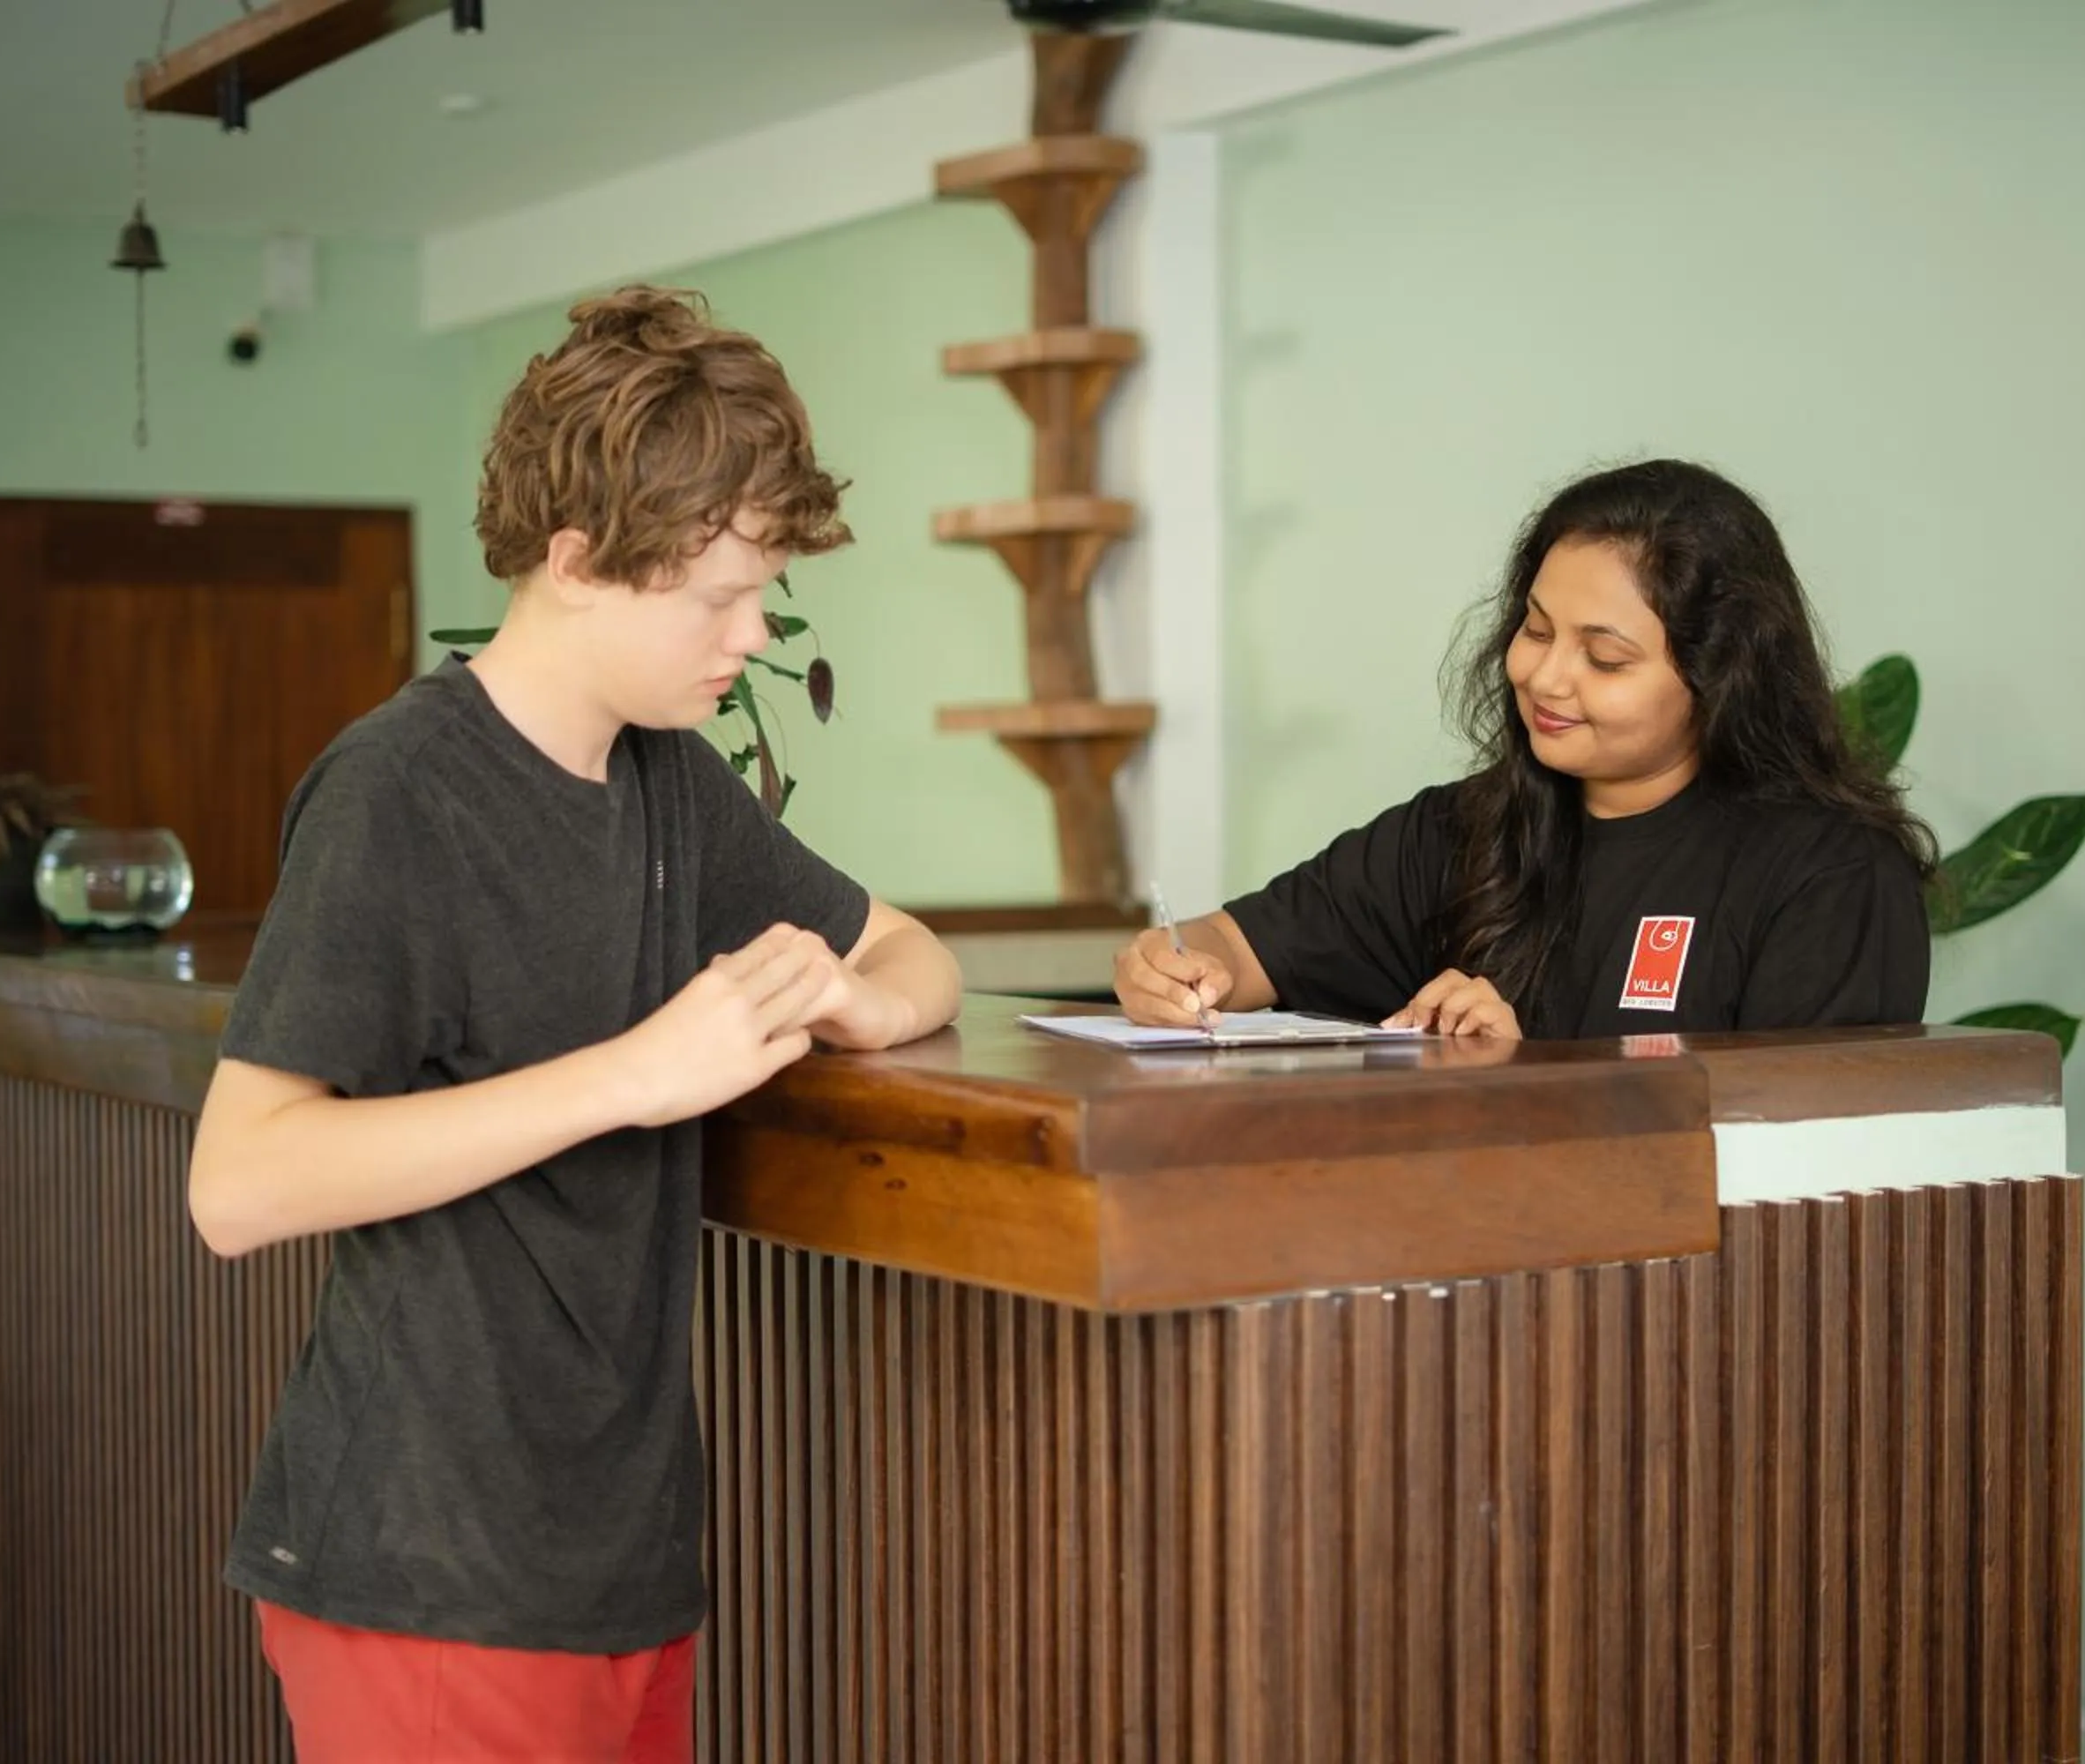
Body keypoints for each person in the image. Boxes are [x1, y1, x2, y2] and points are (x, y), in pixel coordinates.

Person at [184, 285, 962, 1763]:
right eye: (718, 596)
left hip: (619, 1557)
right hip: (429, 1568)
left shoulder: (674, 780)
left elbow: (916, 952)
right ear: (576, 560)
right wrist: (630, 1077)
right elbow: (239, 1185)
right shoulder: (397, 791)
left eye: (766, 590)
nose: (755, 633)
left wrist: (861, 1002)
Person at [1117, 459, 1934, 1041]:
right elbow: (1237, 948)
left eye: (1604, 658)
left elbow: (1801, 1168)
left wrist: (1526, 1080)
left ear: (1722, 673)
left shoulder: (1831, 877)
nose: (1545, 676)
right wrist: (1176, 968)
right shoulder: (1463, 830)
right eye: (1536, 631)